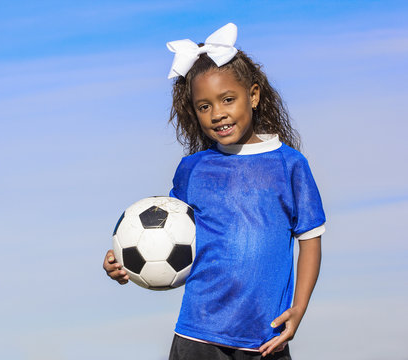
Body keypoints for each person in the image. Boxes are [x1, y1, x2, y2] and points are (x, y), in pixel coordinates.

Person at [103, 23, 325, 360]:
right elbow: (165, 234)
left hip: (266, 337)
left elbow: (310, 239)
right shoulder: (193, 169)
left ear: (253, 96)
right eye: (204, 106)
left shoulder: (289, 165)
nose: (217, 113)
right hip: (198, 334)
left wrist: (300, 307)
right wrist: (122, 262)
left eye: (227, 100)